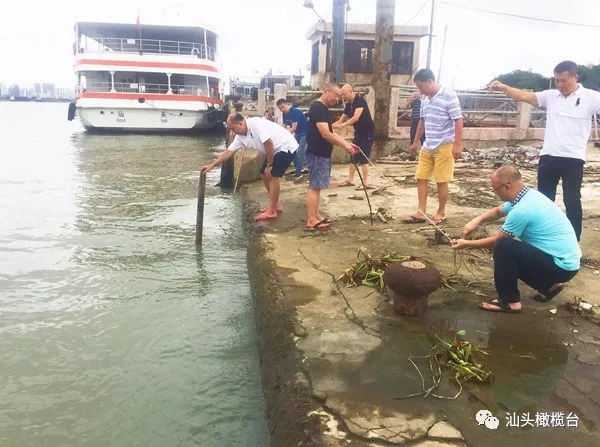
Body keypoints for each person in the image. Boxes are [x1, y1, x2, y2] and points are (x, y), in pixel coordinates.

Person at [490, 60, 600, 243]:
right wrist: (503, 86)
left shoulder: (591, 97)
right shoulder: (551, 96)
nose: (560, 85)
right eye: (557, 81)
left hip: (573, 158)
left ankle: (572, 241)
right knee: (543, 200)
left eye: (564, 81)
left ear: (575, 77)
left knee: (572, 201)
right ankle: (540, 238)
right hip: (549, 156)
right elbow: (524, 96)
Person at [451, 165, 580, 313]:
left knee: (505, 247)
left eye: (495, 190)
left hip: (560, 267)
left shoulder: (522, 210)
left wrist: (466, 244)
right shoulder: (528, 195)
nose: (496, 194)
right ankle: (549, 287)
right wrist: (476, 220)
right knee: (513, 250)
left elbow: (497, 241)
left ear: (506, 186)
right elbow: (498, 211)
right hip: (566, 263)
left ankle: (510, 301)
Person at [202, 113, 298, 222]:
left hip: (285, 146)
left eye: (233, 128)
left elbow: (269, 144)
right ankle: (275, 205)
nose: (233, 132)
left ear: (240, 123)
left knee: (272, 174)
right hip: (274, 150)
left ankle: (272, 210)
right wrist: (212, 165)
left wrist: (270, 165)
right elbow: (229, 152)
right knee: (263, 173)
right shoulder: (240, 137)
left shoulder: (256, 124)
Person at [403, 69, 463, 225]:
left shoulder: (449, 95)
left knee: (441, 180)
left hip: (444, 144)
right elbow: (422, 121)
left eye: (421, 86)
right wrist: (415, 142)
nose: (419, 90)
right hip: (428, 144)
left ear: (430, 81)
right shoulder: (425, 98)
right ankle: (421, 211)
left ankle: (440, 212)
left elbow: (458, 120)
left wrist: (457, 144)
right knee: (421, 177)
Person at [306, 84, 360, 229]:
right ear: (326, 91)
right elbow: (326, 134)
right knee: (314, 186)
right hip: (317, 153)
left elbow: (331, 131)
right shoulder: (317, 108)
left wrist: (348, 143)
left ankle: (316, 215)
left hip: (322, 153)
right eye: (335, 95)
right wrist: (345, 146)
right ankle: (311, 220)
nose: (337, 99)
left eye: (339, 96)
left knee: (318, 186)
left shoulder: (323, 109)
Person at [333, 84, 375, 190]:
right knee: (353, 154)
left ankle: (365, 182)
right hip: (359, 132)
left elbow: (355, 118)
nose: (343, 97)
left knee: (363, 157)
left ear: (350, 92)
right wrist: (331, 126)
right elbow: (341, 119)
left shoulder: (359, 101)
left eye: (344, 94)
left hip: (368, 132)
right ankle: (350, 179)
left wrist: (342, 126)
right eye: (341, 94)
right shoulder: (348, 104)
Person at [276, 98, 308, 182]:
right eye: (280, 108)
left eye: (283, 107)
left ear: (286, 104)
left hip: (305, 133)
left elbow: (293, 128)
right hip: (298, 134)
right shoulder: (284, 114)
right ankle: (299, 168)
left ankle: (298, 173)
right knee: (291, 149)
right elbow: (284, 125)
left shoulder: (295, 112)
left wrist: (284, 135)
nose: (282, 110)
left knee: (300, 151)